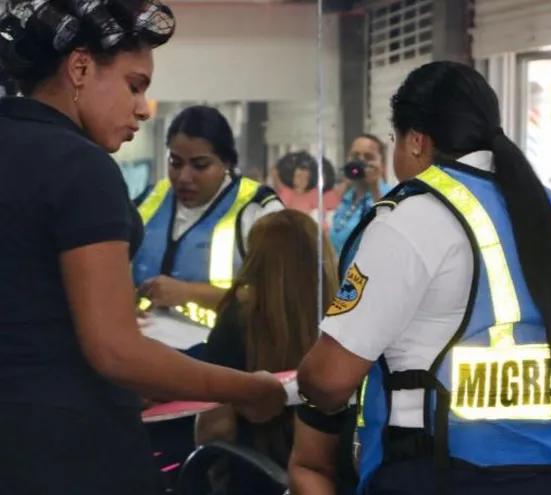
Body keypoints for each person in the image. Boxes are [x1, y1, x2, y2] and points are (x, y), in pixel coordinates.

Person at [0, 1, 286, 494]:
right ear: (81, 67)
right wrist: (250, 388)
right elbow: (114, 349)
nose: (142, 108)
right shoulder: (80, 167)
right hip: (71, 454)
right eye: (135, 85)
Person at [290, 61, 551, 495]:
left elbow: (329, 379)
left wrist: (302, 391)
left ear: (416, 141)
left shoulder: (414, 216)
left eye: (394, 139)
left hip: (441, 471)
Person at [195, 209, 343, 495]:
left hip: (256, 476)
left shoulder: (237, 322)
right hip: (331, 476)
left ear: (256, 260)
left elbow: (215, 429)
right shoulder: (345, 321)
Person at [132, 105, 285, 329]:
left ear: (227, 163)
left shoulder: (258, 211)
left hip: (223, 354)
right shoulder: (148, 202)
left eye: (200, 165)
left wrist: (188, 293)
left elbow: (280, 296)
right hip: (147, 349)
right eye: (175, 163)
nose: (184, 177)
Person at [329, 134, 392, 254]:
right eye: (355, 156)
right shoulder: (347, 197)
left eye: (368, 157)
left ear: (382, 165)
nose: (360, 161)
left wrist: (374, 188)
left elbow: (389, 236)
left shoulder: (390, 195)